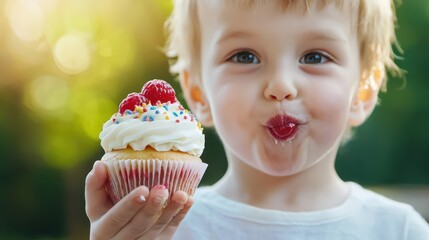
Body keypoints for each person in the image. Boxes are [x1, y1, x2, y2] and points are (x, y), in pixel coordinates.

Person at [85, 0, 429, 239]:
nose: (280, 86)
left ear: (363, 92)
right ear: (198, 93)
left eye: (315, 56)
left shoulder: (400, 232)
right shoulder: (162, 228)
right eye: (244, 56)